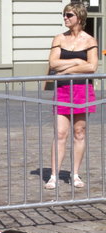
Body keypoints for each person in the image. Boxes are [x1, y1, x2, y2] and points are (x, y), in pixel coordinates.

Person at [45, 2, 98, 190]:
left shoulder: (89, 40)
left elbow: (92, 67)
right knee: (60, 133)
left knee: (79, 132)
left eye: (69, 15)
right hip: (62, 90)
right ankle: (53, 175)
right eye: (64, 15)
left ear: (80, 17)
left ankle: (75, 174)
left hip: (82, 90)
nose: (65, 18)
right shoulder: (59, 38)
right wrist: (77, 62)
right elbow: (52, 63)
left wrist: (67, 67)